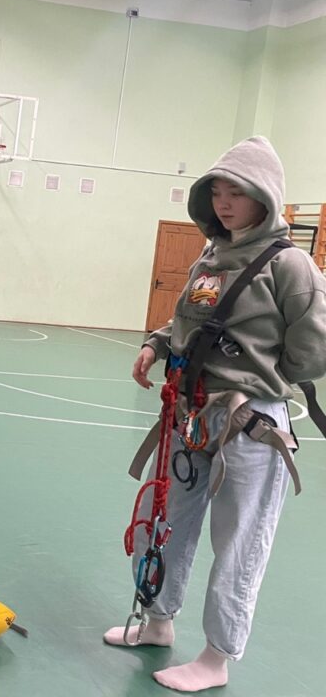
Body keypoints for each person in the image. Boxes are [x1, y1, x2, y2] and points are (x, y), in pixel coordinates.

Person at [104, 136, 326, 691]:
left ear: (265, 196)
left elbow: (313, 349)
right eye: (218, 192)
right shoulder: (210, 256)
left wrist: (259, 377)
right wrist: (157, 343)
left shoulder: (291, 264)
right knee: (165, 520)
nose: (224, 203)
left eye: (237, 192)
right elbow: (191, 318)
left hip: (249, 427)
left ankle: (216, 657)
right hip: (190, 416)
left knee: (239, 542)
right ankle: (157, 620)